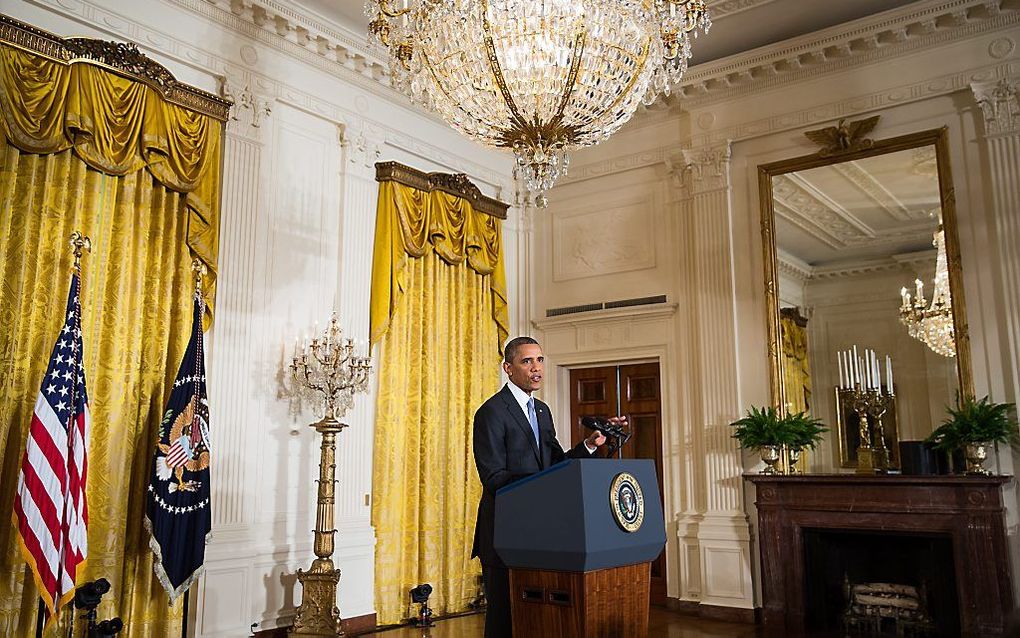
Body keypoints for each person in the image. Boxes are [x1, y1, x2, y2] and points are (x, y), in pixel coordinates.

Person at [471, 336, 627, 638]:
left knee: (537, 620)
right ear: (508, 368)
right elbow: (493, 477)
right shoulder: (491, 412)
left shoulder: (541, 411)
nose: (536, 368)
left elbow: (555, 465)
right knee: (504, 622)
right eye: (527, 361)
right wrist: (538, 485)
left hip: (539, 534)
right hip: (504, 533)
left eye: (540, 360)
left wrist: (589, 445)